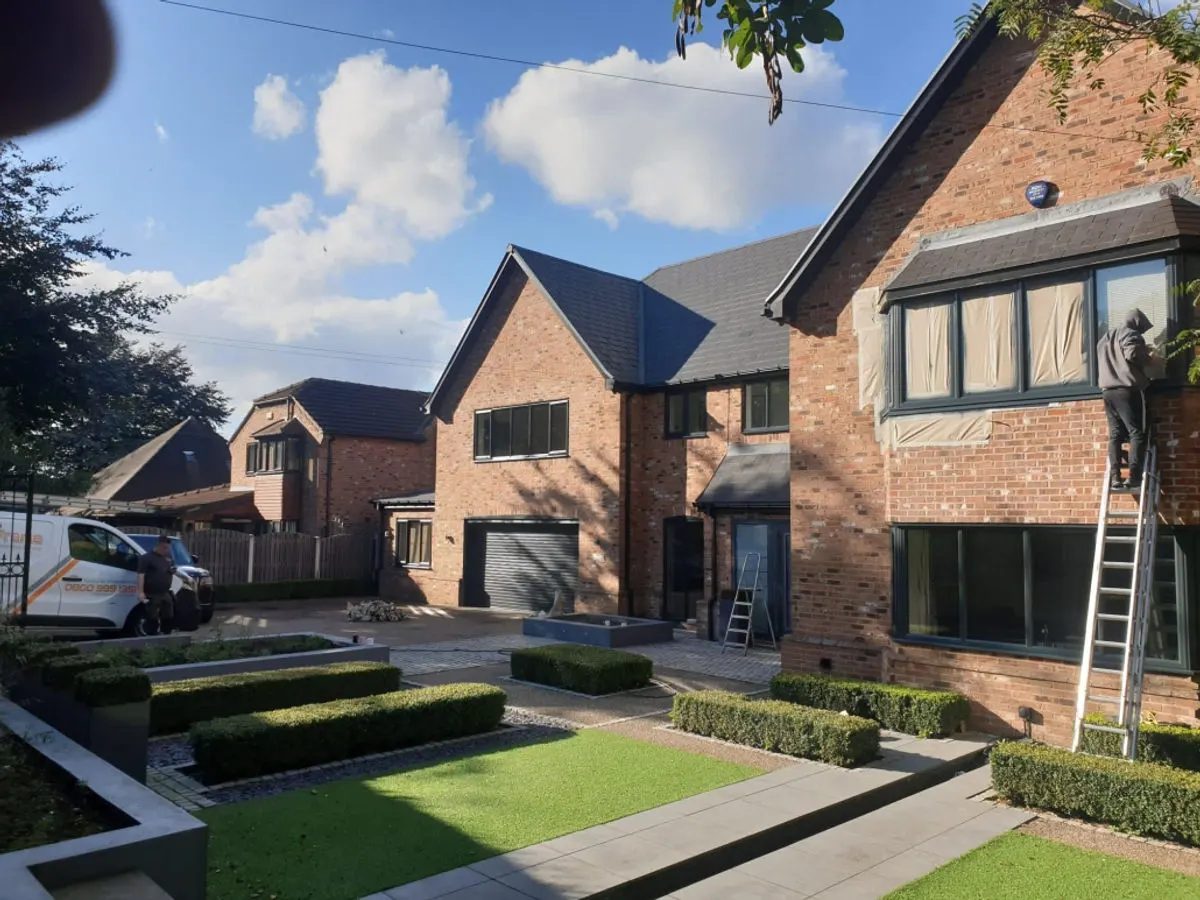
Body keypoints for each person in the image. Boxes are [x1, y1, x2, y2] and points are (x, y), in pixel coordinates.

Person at [1098, 307, 1156, 492]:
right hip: (1128, 389)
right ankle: (1134, 476)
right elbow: (1132, 354)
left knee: (1115, 434)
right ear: (1137, 323)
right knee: (1136, 433)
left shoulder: (1106, 337)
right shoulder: (1131, 334)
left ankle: (1115, 476)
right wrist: (1148, 358)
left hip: (1107, 391)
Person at [137, 534, 176, 635]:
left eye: (168, 548)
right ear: (159, 546)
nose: (166, 550)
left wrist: (175, 572)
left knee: (168, 613)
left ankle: (166, 632)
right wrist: (141, 592)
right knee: (152, 615)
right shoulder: (146, 558)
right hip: (151, 592)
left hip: (165, 591)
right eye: (165, 548)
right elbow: (141, 575)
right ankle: (152, 634)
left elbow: (172, 569)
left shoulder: (168, 557)